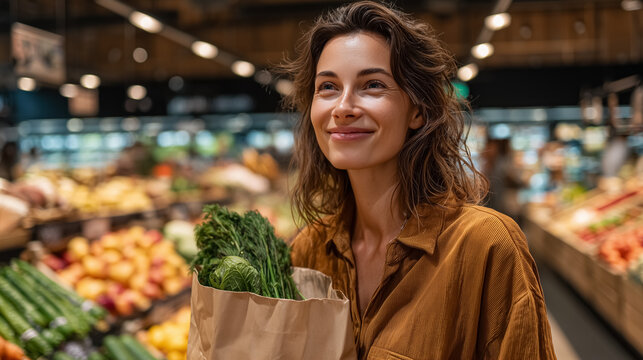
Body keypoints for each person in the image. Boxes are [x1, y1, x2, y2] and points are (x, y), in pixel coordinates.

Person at [284, 2, 556, 359]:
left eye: (373, 85)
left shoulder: (484, 247)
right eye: (328, 87)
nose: (343, 107)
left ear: (418, 110)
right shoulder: (308, 250)